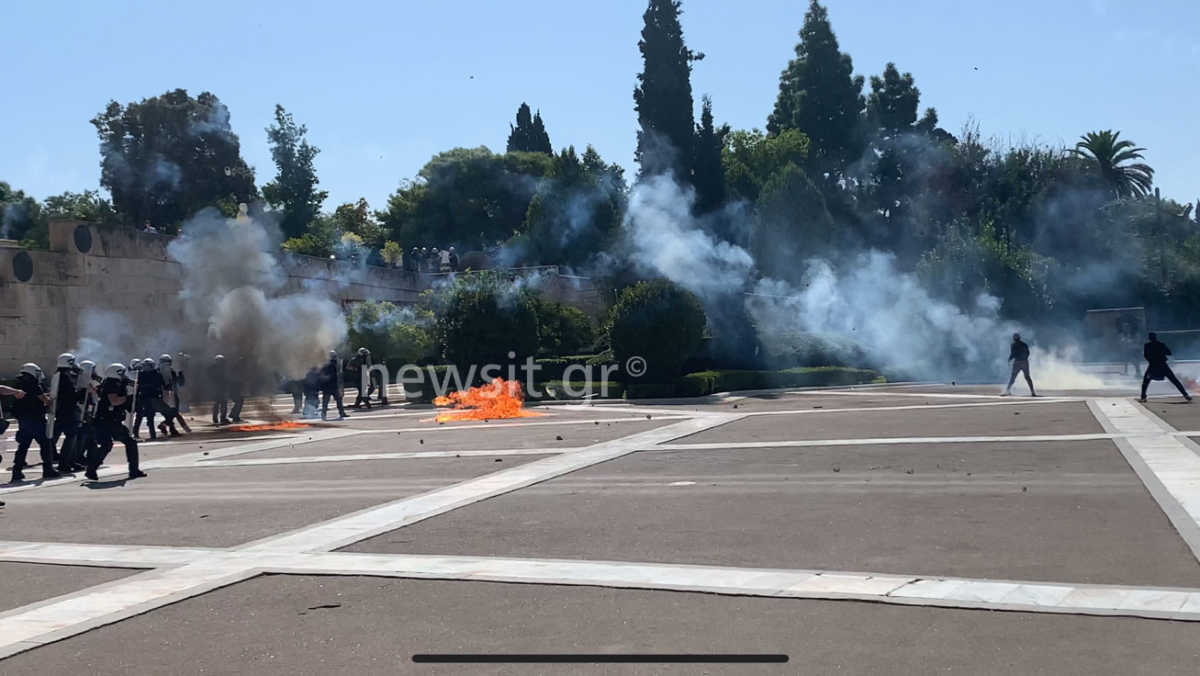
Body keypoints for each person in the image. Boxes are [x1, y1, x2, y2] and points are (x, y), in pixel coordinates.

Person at [87, 363, 145, 480]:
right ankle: (133, 470)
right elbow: (114, 401)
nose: (124, 375)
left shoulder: (114, 382)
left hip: (107, 420)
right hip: (108, 421)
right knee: (130, 442)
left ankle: (91, 469)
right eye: (122, 372)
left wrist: (134, 387)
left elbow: (132, 384)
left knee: (106, 445)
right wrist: (129, 397)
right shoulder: (111, 384)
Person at [9, 363, 59, 483]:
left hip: (23, 419)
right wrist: (51, 399)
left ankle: (17, 471)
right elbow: (45, 401)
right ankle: (48, 469)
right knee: (45, 444)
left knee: (23, 446)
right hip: (36, 419)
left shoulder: (19, 383)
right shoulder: (34, 384)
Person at [48, 352, 83, 472]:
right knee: (71, 437)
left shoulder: (59, 375)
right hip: (68, 411)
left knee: (67, 436)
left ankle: (70, 462)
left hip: (62, 411)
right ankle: (65, 463)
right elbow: (71, 396)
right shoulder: (65, 377)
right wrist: (81, 392)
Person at [1140, 332, 1192, 403]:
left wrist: (1151, 360)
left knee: (1146, 381)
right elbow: (1169, 352)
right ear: (1155, 337)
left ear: (1149, 338)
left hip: (1153, 365)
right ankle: (1186, 395)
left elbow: (1146, 356)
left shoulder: (1147, 345)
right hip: (1162, 365)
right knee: (1174, 380)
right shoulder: (1161, 344)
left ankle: (1143, 397)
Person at [157, 354, 191, 433]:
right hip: (165, 395)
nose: (166, 364)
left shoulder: (170, 371)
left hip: (171, 394)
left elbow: (180, 383)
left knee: (172, 413)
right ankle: (173, 428)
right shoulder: (158, 372)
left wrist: (180, 375)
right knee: (173, 413)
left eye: (167, 362)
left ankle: (167, 427)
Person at [1003, 333, 1038, 397]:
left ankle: (1007, 391)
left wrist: (1010, 358)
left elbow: (1013, 353)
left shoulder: (1014, 345)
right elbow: (1027, 353)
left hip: (1018, 362)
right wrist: (1024, 358)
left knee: (1013, 377)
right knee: (1026, 377)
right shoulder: (1023, 344)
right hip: (1023, 362)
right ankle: (1032, 392)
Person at [320, 350, 348, 420]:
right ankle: (341, 413)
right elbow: (331, 375)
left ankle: (325, 414)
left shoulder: (327, 364)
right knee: (336, 400)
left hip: (330, 386)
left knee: (330, 401)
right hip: (332, 385)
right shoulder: (332, 364)